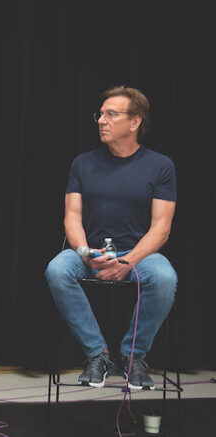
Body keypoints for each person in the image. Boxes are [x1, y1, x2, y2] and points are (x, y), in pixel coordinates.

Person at [45, 86, 177, 389]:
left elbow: (161, 228)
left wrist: (129, 261)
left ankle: (133, 356)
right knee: (57, 269)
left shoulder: (160, 166)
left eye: (111, 114)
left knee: (164, 277)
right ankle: (98, 354)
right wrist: (82, 250)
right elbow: (72, 216)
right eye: (100, 114)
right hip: (90, 252)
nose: (101, 120)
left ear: (134, 123)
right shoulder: (83, 163)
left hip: (139, 254)